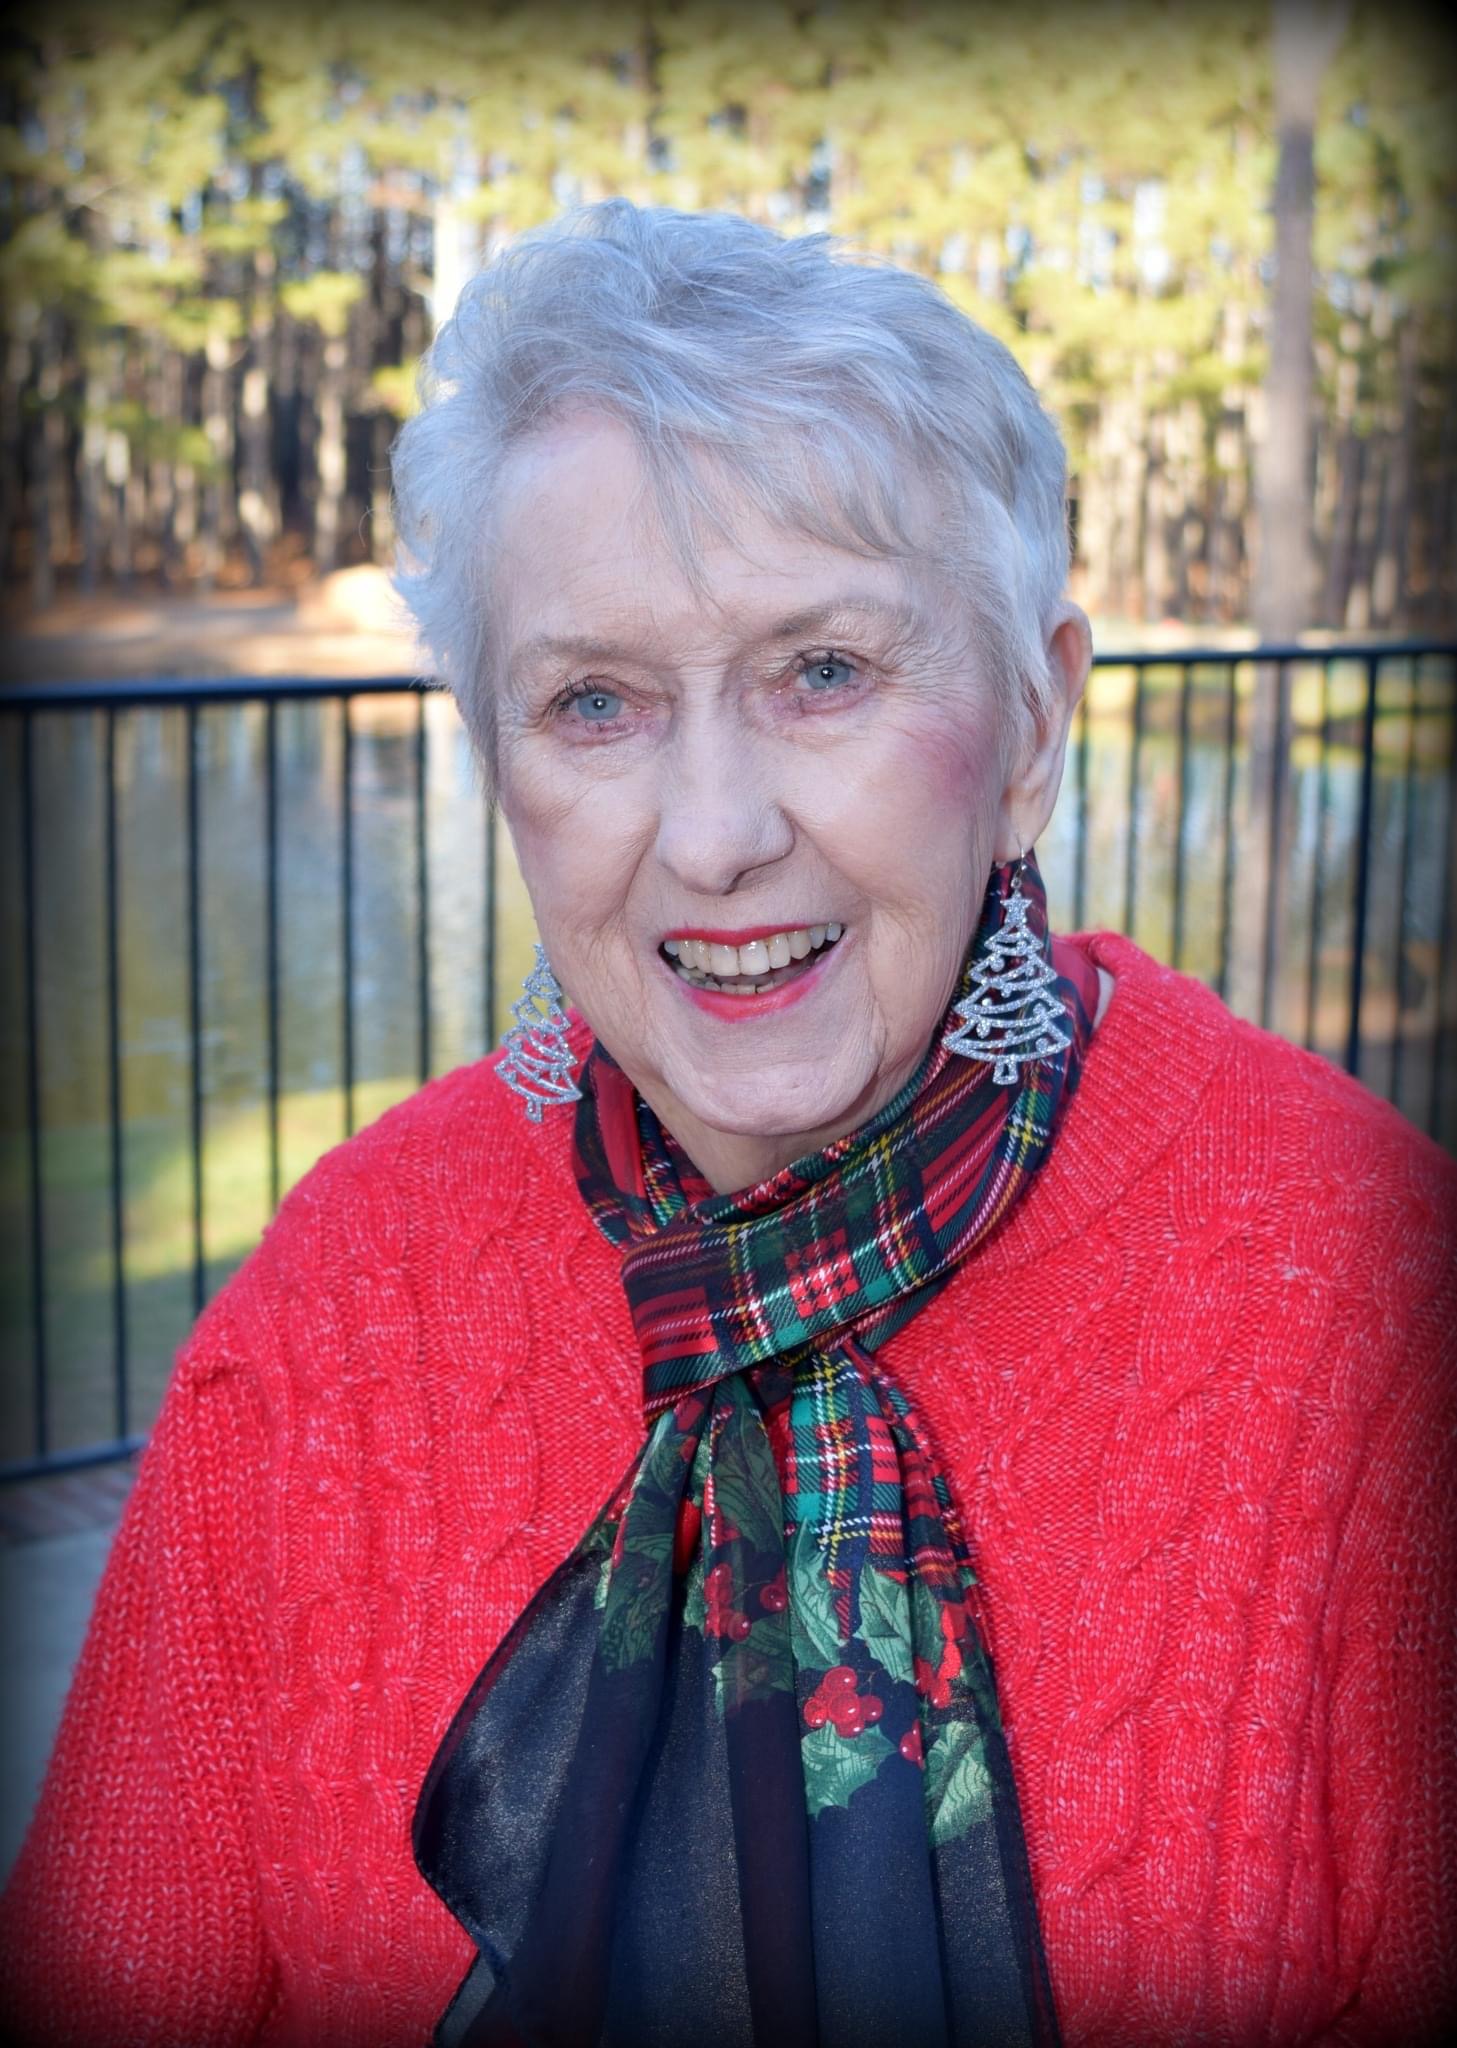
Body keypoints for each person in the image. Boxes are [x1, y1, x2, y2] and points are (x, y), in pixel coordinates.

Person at [2, 200, 1453, 2048]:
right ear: (501, 770)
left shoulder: (1370, 1308)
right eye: (593, 701)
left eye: (821, 672)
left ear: (1030, 727)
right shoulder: (336, 1306)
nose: (711, 836)